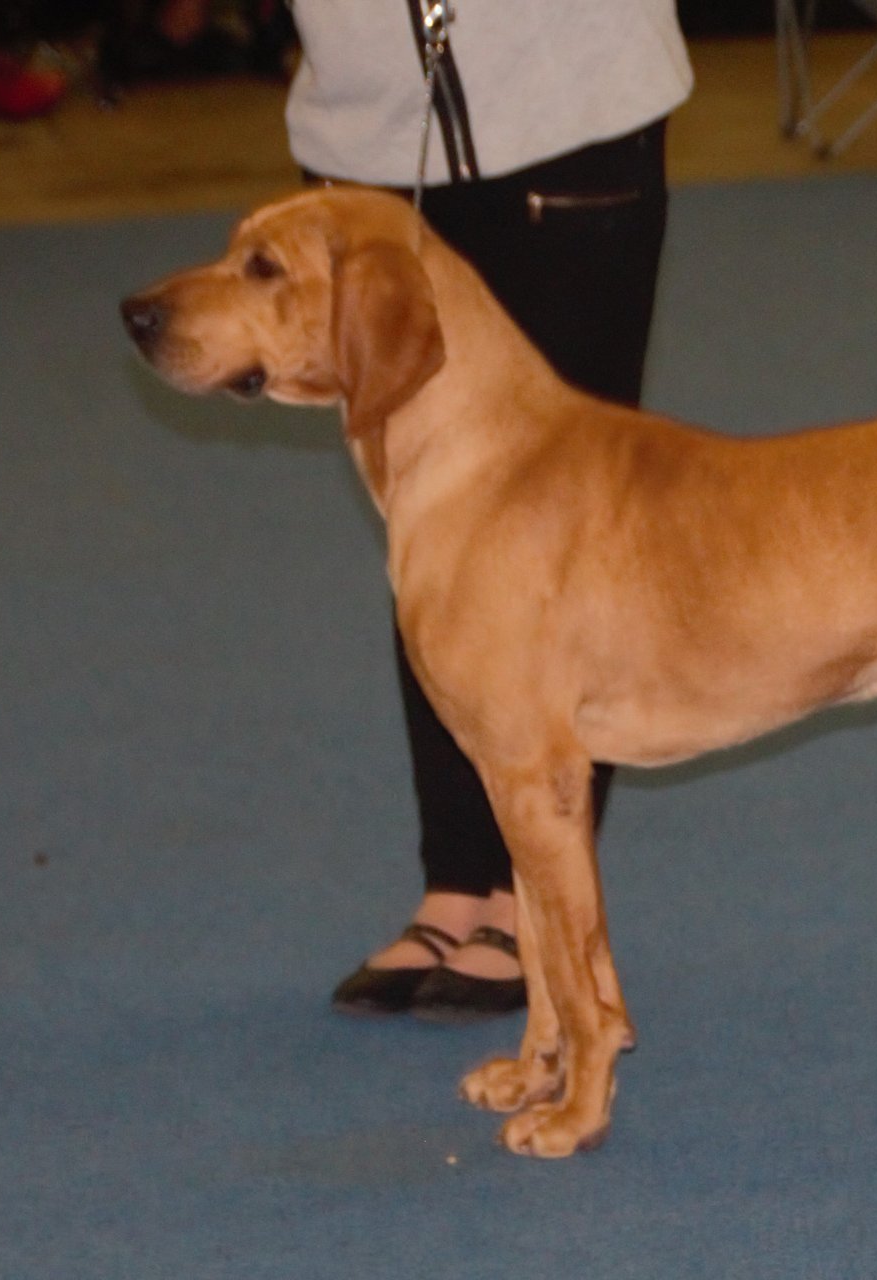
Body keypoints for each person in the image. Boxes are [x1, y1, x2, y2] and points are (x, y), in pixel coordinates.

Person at [282, 0, 693, 1020]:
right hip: (363, 128)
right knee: (436, 522)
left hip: (566, 110)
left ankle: (534, 903)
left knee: (566, 531)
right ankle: (457, 879)